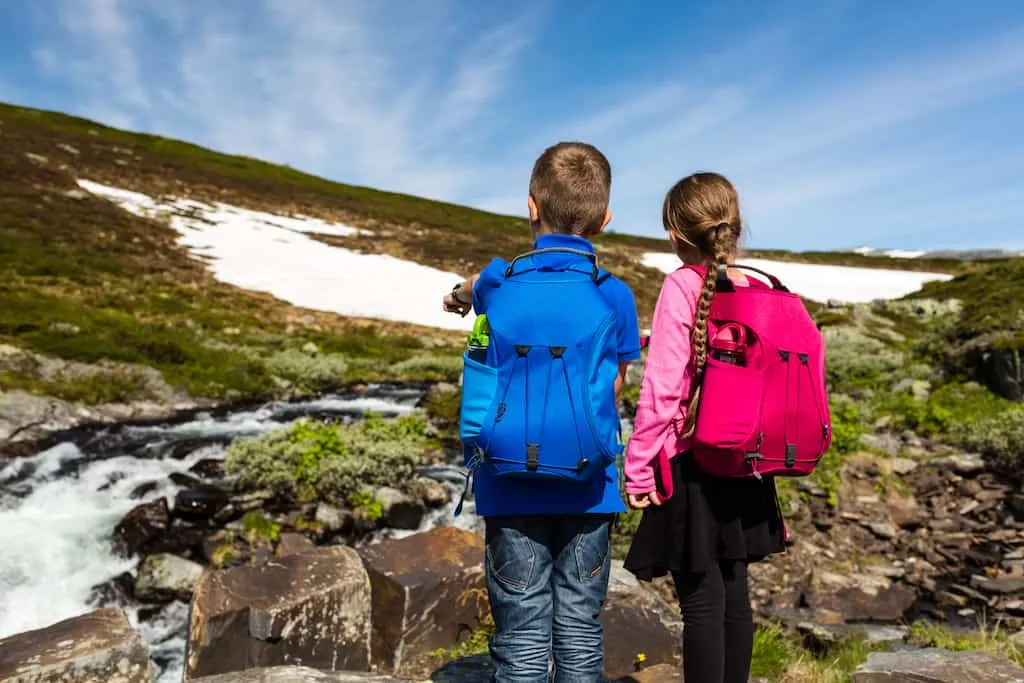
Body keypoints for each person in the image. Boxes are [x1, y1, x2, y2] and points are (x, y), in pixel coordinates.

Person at [442, 141, 641, 682]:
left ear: (531, 206)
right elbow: (616, 386)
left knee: (522, 638)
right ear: (604, 220)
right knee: (578, 630)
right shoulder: (615, 294)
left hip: (510, 488)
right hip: (590, 489)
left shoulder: (500, 283)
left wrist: (457, 294)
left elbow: (466, 291)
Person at [622, 172, 786, 683]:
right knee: (735, 591)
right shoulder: (759, 285)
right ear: (734, 227)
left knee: (700, 600)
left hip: (693, 461)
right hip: (747, 461)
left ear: (676, 234)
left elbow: (663, 391)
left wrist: (637, 469)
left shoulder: (682, 284)